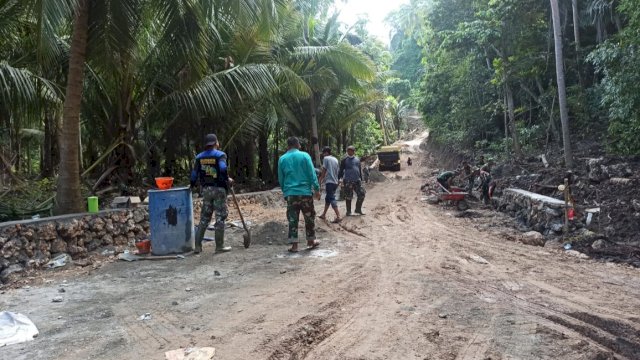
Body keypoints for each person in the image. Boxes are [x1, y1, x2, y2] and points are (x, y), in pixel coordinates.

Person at [191, 134, 232, 254]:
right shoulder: (220, 155)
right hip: (219, 189)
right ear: (216, 143)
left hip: (206, 190)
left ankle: (197, 246)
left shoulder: (199, 157)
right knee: (220, 217)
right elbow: (223, 169)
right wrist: (227, 179)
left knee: (204, 218)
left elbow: (194, 174)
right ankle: (219, 246)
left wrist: (192, 185)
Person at [278, 137, 321, 252]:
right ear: (298, 145)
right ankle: (311, 241)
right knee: (309, 217)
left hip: (291, 194)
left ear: (288, 146)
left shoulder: (282, 159)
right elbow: (312, 174)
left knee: (292, 219)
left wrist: (285, 192)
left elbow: (281, 178)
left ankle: (294, 246)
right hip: (305, 193)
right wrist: (317, 189)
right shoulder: (305, 156)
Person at [339, 145, 366, 216]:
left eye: (351, 150)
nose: (349, 152)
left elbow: (359, 169)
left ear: (354, 151)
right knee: (348, 196)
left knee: (362, 194)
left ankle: (358, 209)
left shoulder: (357, 159)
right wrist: (340, 179)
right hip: (348, 181)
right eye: (348, 150)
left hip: (357, 180)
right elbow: (341, 170)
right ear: (347, 151)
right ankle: (348, 211)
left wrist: (362, 179)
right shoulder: (344, 160)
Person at [318, 147, 342, 223]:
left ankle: (338, 216)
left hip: (329, 182)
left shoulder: (326, 158)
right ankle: (323, 214)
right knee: (328, 198)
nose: (323, 155)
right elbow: (338, 171)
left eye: (323, 153)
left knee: (331, 198)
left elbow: (324, 170)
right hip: (335, 182)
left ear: (326, 153)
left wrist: (320, 179)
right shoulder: (335, 159)